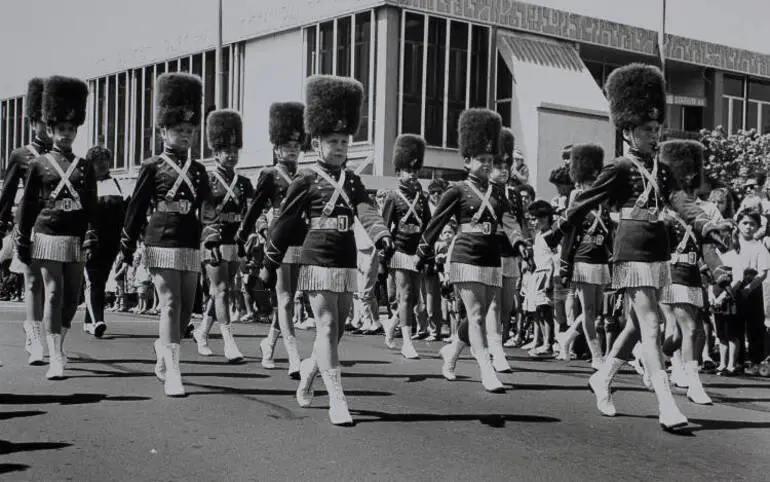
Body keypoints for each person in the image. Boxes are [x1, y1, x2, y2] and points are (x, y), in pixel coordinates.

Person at [547, 64, 725, 430]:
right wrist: (559, 228)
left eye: (657, 130)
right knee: (651, 322)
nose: (654, 136)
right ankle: (666, 404)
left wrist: (707, 224)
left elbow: (681, 201)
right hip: (630, 250)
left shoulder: (661, 170)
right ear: (628, 131)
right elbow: (585, 200)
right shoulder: (618, 167)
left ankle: (603, 377)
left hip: (658, 250)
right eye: (647, 130)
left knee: (632, 324)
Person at [260, 75, 393, 426]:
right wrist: (269, 258)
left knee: (338, 331)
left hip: (346, 258)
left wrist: (381, 235)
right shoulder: (305, 179)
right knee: (327, 324)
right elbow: (286, 222)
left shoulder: (353, 181)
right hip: (316, 257)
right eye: (332, 141)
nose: (339, 146)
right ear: (317, 143)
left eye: (344, 141)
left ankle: (308, 373)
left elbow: (366, 209)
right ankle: (337, 397)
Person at [118, 73, 221, 397]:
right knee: (170, 302)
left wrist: (211, 234)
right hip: (160, 238)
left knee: (184, 312)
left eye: (190, 131)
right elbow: (135, 208)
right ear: (164, 130)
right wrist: (126, 243)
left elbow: (206, 206)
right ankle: (175, 371)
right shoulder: (152, 166)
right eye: (179, 130)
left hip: (190, 240)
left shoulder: (200, 169)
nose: (185, 136)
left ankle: (165, 347)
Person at [418, 108, 521, 392]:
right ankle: (486, 368)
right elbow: (435, 223)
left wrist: (519, 241)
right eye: (482, 160)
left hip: (491, 256)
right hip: (466, 255)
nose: (487, 165)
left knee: (483, 312)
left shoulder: (499, 192)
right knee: (476, 314)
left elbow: (509, 220)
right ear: (467, 161)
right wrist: (422, 251)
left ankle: (452, 353)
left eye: (490, 160)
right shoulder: (457, 190)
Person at [16, 76, 97, 380]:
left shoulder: (85, 166)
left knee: (73, 296)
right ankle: (54, 358)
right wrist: (23, 238)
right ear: (50, 130)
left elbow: (91, 205)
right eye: (60, 129)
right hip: (47, 234)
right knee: (53, 292)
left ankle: (58, 343)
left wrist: (92, 235)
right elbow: (28, 206)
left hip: (74, 236)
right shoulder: (39, 165)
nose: (66, 135)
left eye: (71, 130)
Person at [237, 102, 307, 378]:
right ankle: (292, 354)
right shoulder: (270, 175)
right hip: (278, 240)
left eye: (296, 145)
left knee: (290, 300)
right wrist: (244, 233)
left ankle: (269, 343)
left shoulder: (305, 175)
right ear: (277, 148)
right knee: (286, 299)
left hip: (300, 239)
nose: (292, 150)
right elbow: (256, 208)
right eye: (287, 146)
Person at [191, 109, 253, 362]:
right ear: (216, 152)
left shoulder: (244, 182)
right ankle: (229, 342)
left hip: (234, 241)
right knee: (222, 289)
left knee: (219, 293)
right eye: (226, 150)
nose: (231, 155)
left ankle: (202, 332)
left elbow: (250, 211)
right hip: (211, 240)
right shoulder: (206, 179)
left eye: (235, 150)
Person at [656, 140, 713, 404]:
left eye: (693, 172)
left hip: (693, 274)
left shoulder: (700, 210)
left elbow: (708, 246)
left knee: (678, 334)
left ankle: (655, 355)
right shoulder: (665, 212)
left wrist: (719, 270)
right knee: (689, 329)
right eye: (686, 172)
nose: (690, 177)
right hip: (672, 271)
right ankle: (694, 383)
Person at [0, 78, 50, 365]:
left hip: (58, 224)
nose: (47, 127)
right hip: (29, 223)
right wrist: (1, 223)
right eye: (43, 122)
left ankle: (52, 331)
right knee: (33, 283)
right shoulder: (21, 155)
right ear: (33, 123)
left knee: (55, 287)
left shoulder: (65, 155)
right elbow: (7, 193)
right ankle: (34, 335)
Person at [555, 144, 610, 370]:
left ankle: (567, 337)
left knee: (596, 311)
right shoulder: (577, 194)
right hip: (583, 256)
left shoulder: (603, 197)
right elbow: (572, 224)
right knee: (588, 310)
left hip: (600, 256)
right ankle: (597, 356)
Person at [380, 134, 430, 359]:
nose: (413, 175)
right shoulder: (393, 196)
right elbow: (383, 225)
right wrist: (383, 256)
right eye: (409, 171)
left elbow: (428, 225)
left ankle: (391, 324)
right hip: (399, 250)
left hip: (416, 251)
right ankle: (407, 342)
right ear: (399, 172)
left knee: (414, 298)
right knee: (406, 294)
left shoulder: (422, 197)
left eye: (416, 171)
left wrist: (426, 250)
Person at [82, 146, 127, 338]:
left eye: (105, 160)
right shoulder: (85, 186)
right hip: (92, 240)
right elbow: (82, 216)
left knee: (101, 279)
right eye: (97, 160)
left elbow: (126, 214)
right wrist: (87, 239)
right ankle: (97, 320)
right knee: (93, 280)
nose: (102, 164)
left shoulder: (117, 184)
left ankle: (88, 320)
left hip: (112, 241)